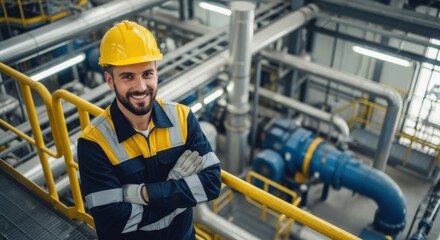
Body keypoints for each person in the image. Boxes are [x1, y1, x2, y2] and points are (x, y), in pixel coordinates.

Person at [77, 20, 221, 240]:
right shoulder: (94, 143)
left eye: (147, 74)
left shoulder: (182, 118)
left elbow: (211, 184)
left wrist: (144, 194)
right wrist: (177, 190)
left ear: (156, 72)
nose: (141, 87)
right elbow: (115, 222)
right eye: (127, 77)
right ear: (109, 80)